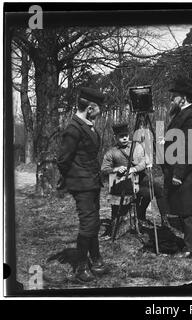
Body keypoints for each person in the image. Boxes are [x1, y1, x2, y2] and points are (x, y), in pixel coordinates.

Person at [57, 87, 108, 282]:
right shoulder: (74, 128)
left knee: (93, 221)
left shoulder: (86, 124)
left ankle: (96, 260)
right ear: (90, 108)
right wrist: (73, 179)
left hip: (92, 182)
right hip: (82, 184)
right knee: (88, 223)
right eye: (98, 109)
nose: (100, 112)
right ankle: (80, 267)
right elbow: (63, 160)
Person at [162, 76, 192, 259]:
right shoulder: (183, 114)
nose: (172, 99)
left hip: (187, 172)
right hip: (181, 169)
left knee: (188, 210)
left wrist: (179, 173)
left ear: (184, 97)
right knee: (186, 208)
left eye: (175, 96)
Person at [101, 123, 170, 228]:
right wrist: (116, 169)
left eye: (126, 135)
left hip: (140, 177)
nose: (124, 138)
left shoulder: (136, 146)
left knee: (157, 188)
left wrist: (134, 169)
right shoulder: (111, 152)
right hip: (123, 182)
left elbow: (144, 162)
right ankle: (139, 217)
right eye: (121, 136)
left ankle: (164, 220)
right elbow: (104, 169)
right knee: (145, 193)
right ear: (115, 137)